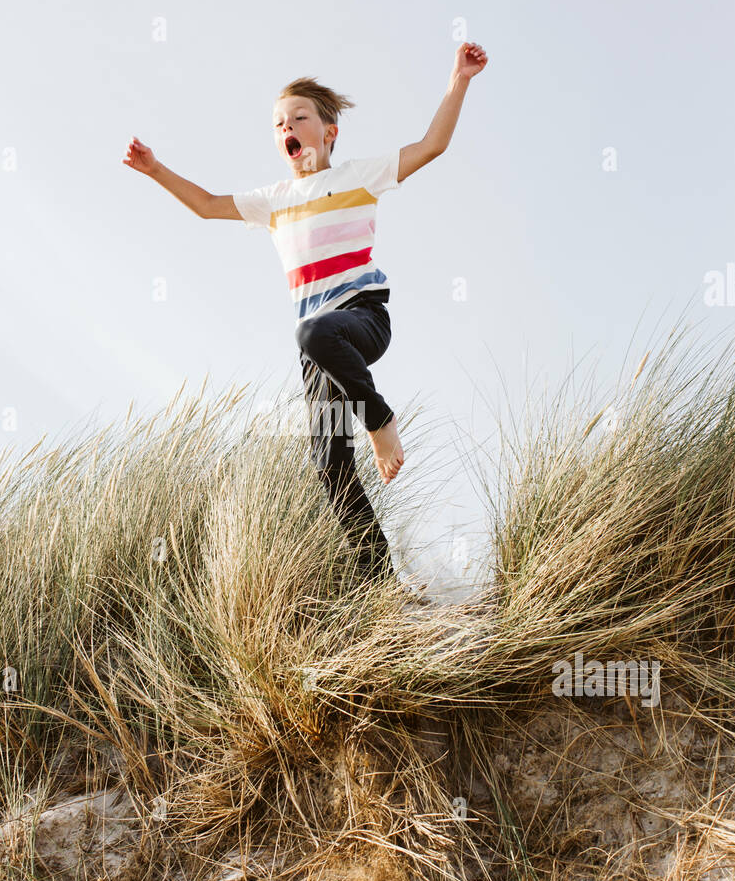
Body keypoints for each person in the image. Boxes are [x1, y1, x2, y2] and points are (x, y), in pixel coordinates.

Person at [123, 41, 488, 589]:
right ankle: (381, 586)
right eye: (278, 124)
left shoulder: (360, 176)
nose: (287, 127)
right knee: (329, 466)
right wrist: (154, 170)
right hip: (317, 354)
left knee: (314, 329)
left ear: (328, 132)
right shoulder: (273, 200)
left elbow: (433, 145)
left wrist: (458, 79)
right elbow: (206, 205)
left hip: (359, 320)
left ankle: (380, 420)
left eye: (299, 117)